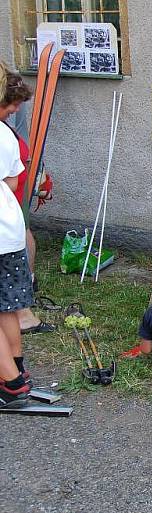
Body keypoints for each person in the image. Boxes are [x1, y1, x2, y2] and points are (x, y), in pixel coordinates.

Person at [0, 67, 51, 334]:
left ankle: (24, 305)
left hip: (10, 206)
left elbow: (15, 173)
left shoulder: (7, 131)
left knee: (21, 235)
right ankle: (22, 310)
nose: (16, 111)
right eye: (13, 105)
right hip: (6, 210)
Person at [0, 67, 37, 402]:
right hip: (10, 230)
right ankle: (17, 368)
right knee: (7, 308)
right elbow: (13, 182)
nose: (13, 112)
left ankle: (10, 384)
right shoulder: (7, 137)